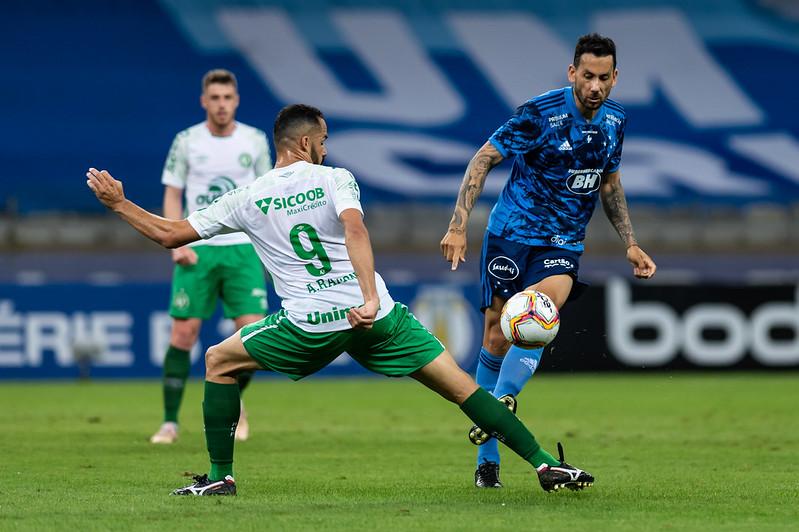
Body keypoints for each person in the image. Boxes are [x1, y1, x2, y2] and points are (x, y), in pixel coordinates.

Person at [86, 103, 594, 496]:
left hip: (309, 326)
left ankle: (221, 477)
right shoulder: (335, 178)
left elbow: (170, 233)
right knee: (463, 388)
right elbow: (355, 229)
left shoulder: (248, 197)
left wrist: (118, 203)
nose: (326, 149)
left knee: (219, 360)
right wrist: (370, 297)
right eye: (324, 140)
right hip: (378, 317)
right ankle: (546, 464)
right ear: (306, 142)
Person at [440, 34, 657, 488]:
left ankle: (499, 404)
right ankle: (488, 461)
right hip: (511, 236)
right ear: (572, 73)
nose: (595, 86)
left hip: (562, 242)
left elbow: (610, 184)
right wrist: (459, 225)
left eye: (604, 78)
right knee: (497, 334)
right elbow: (483, 160)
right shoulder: (540, 113)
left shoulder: (616, 122)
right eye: (587, 76)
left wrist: (630, 243)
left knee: (541, 315)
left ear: (615, 78)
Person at [150, 69, 272, 444]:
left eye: (228, 98)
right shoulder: (187, 141)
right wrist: (176, 241)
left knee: (254, 337)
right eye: (215, 98)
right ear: (204, 101)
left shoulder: (253, 140)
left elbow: (268, 194)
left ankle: (232, 404)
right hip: (198, 247)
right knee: (184, 334)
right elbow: (173, 191)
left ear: (236, 101)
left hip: (241, 249)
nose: (221, 104)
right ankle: (170, 422)